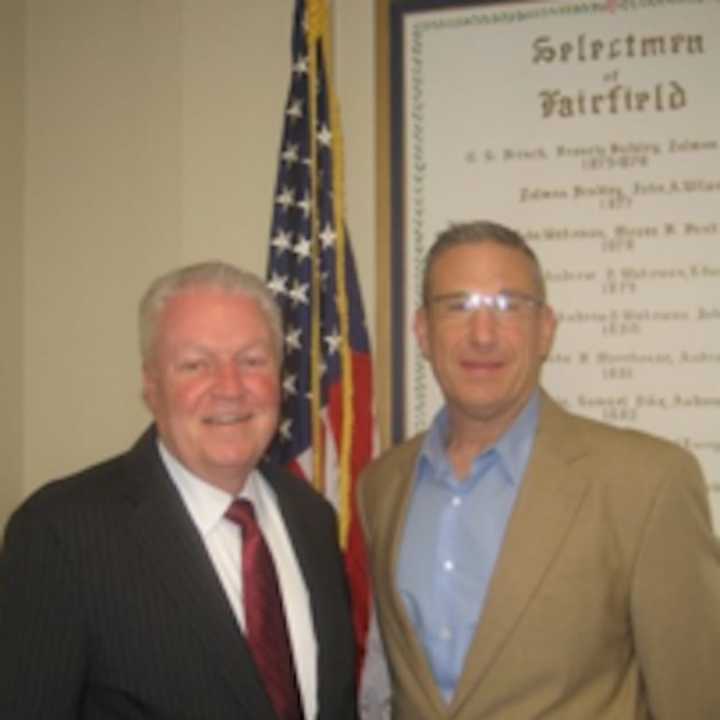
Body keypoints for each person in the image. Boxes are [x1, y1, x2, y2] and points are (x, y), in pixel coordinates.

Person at [358, 221, 720, 719]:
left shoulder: (648, 483)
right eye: (457, 306)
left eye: (509, 307)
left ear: (545, 329)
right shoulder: (382, 486)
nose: (482, 335)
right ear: (423, 330)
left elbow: (695, 701)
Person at [0, 261, 357, 720]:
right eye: (195, 365)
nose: (229, 388)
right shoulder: (61, 534)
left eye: (252, 361)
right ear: (152, 386)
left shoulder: (311, 517)